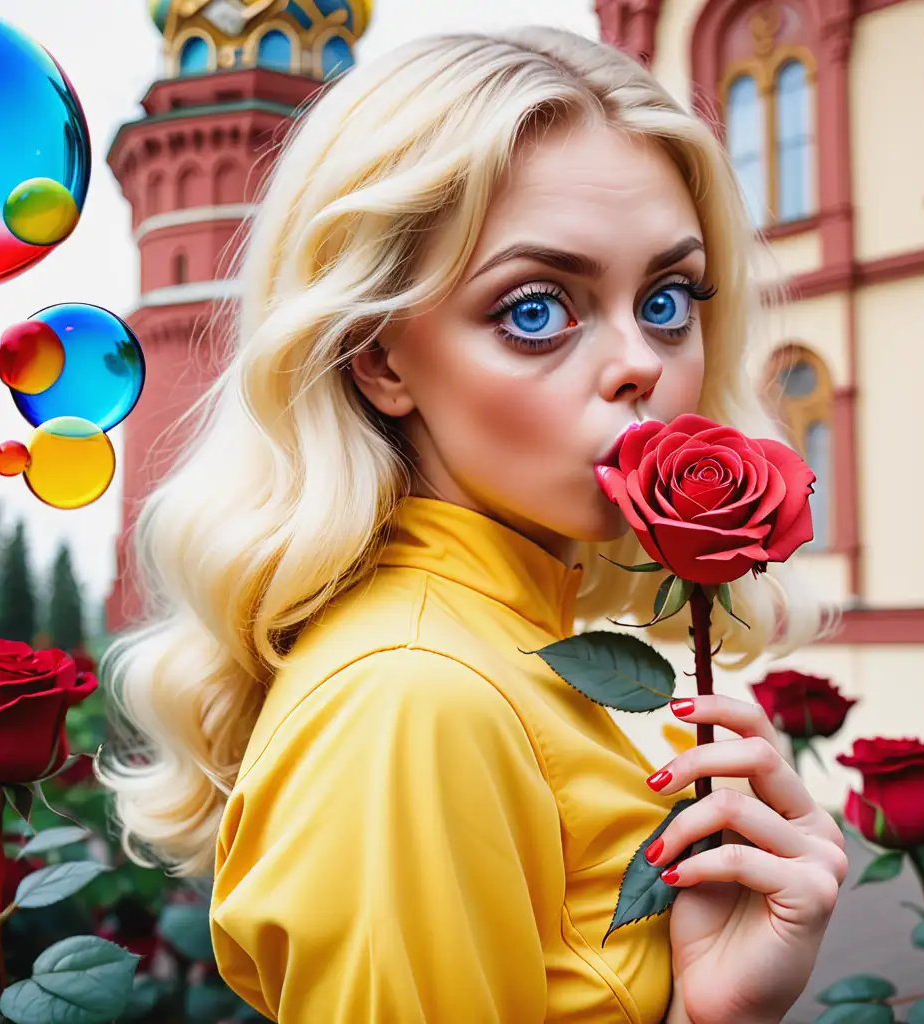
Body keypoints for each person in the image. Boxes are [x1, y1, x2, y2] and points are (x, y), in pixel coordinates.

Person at [97, 25, 848, 1024]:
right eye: (536, 309)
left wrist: (718, 1010)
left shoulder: (503, 647)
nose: (640, 363)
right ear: (378, 357)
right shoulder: (417, 700)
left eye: (668, 299)